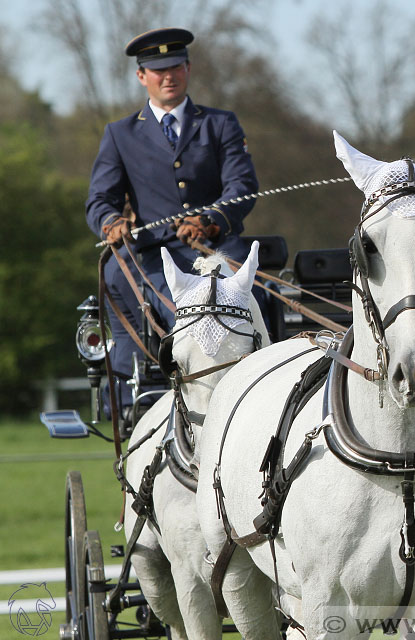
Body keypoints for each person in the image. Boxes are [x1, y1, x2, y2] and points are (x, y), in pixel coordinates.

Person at [86, 27, 260, 423]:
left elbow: (242, 185)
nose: (168, 77)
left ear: (188, 69)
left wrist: (212, 220)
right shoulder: (120, 134)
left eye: (175, 68)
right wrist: (111, 221)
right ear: (141, 76)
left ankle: (255, 380)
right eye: (158, 70)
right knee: (117, 273)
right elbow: (100, 199)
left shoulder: (220, 124)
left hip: (214, 247)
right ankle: (139, 392)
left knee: (243, 284)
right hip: (151, 253)